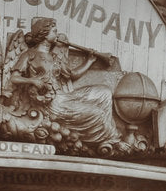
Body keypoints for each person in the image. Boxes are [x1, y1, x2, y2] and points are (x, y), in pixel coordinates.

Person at [7, 17, 118, 145]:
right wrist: (31, 81)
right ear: (44, 34)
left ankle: (108, 131)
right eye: (54, 31)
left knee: (104, 92)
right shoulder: (29, 55)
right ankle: (110, 138)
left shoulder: (54, 57)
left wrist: (89, 61)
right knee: (97, 114)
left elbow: (72, 75)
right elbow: (14, 78)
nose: (57, 34)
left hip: (64, 96)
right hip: (51, 103)